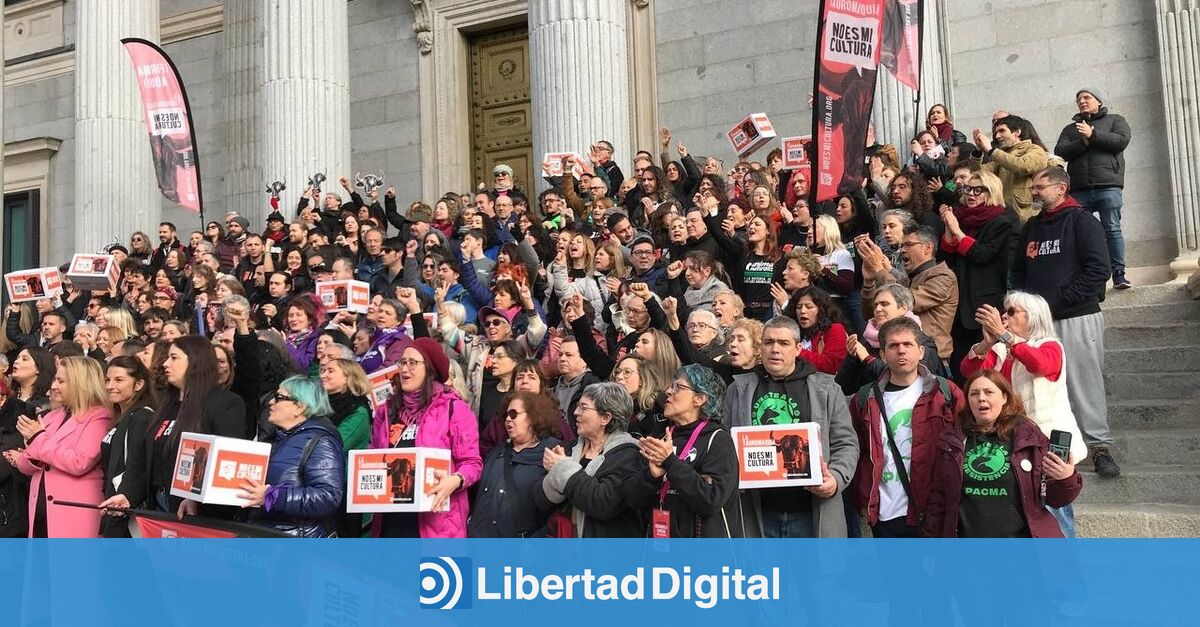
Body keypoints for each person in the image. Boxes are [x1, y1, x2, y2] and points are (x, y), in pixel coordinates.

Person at [1014, 167, 1118, 478]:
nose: (1034, 191)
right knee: (1043, 387)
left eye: (1040, 186)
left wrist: (1056, 301)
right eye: (1032, 186)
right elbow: (1019, 271)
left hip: (1077, 316)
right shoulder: (1031, 227)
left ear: (1061, 188)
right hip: (1039, 325)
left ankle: (1099, 447)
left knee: (1084, 383)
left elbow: (1100, 269)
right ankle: (1054, 453)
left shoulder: (1082, 221)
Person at [960, 291, 1089, 537]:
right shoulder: (1000, 348)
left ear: (1033, 317)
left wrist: (1005, 336)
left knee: (1054, 513)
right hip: (1012, 442)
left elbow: (1040, 364)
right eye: (1003, 312)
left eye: (1011, 312)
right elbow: (971, 373)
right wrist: (988, 343)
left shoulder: (1051, 345)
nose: (1004, 317)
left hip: (1048, 443)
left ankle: (1061, 570)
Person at [722, 317, 859, 537]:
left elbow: (846, 443)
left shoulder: (826, 389)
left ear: (797, 349)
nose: (775, 349)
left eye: (783, 343)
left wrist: (835, 477)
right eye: (768, 342)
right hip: (756, 514)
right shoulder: (738, 389)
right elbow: (725, 445)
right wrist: (730, 476)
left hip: (811, 513)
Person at [923, 370, 1082, 538]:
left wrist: (1066, 478)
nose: (981, 398)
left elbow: (1056, 499)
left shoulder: (1029, 438)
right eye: (974, 393)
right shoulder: (952, 442)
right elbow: (938, 502)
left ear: (1005, 398)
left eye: (989, 392)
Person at [848, 317, 964, 538]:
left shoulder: (945, 392)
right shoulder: (865, 398)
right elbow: (854, 451)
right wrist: (862, 497)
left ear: (921, 351)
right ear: (882, 354)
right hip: (886, 512)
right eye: (893, 345)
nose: (901, 351)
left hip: (935, 508)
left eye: (907, 344)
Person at [371, 336, 481, 538]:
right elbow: (373, 456)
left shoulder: (454, 408)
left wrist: (455, 480)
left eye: (413, 363)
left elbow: (472, 463)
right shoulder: (386, 411)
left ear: (429, 369)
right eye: (402, 362)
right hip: (391, 522)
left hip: (438, 522)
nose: (404, 369)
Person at [627, 365, 742, 537]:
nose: (668, 391)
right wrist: (651, 478)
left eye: (678, 387)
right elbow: (633, 500)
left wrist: (670, 463)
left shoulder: (717, 439)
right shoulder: (660, 436)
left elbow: (710, 500)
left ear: (700, 399)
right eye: (670, 386)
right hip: (660, 546)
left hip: (702, 554)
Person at [6, 357, 112, 537]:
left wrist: (38, 439)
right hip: (40, 514)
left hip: (73, 515)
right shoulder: (52, 416)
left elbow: (79, 462)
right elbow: (27, 464)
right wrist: (25, 456)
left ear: (81, 383)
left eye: (61, 381)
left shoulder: (100, 417)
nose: (53, 385)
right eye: (55, 379)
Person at [233, 376, 345, 537]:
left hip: (297, 543)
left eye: (279, 398)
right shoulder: (277, 438)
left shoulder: (321, 442)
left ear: (300, 407)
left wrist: (273, 496)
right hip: (264, 535)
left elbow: (328, 496)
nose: (271, 402)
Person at [149, 337, 248, 517]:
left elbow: (226, 463)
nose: (165, 363)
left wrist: (196, 498)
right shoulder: (166, 404)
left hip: (195, 511)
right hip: (158, 503)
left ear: (195, 361)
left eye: (174, 357)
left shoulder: (224, 403)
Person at [937, 170, 1016, 381]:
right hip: (959, 302)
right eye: (968, 189)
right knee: (961, 366)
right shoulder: (961, 218)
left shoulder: (1001, 221)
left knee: (985, 368)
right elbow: (946, 258)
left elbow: (983, 254)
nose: (971, 194)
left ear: (990, 192)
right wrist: (948, 228)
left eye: (977, 190)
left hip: (984, 301)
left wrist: (958, 232)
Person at [537, 382, 644, 537]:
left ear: (606, 418)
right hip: (565, 549)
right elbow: (540, 499)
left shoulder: (629, 454)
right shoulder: (568, 448)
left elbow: (603, 503)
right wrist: (556, 472)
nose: (575, 412)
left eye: (584, 407)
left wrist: (562, 469)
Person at [1054, 88, 1133, 289]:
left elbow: (1121, 141)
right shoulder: (1071, 129)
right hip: (1079, 189)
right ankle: (1088, 278)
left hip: (1108, 185)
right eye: (1078, 99)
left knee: (1112, 229)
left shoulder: (1116, 120)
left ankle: (1119, 274)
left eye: (1087, 97)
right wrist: (1084, 140)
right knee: (1079, 233)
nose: (1082, 101)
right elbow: (1060, 151)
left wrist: (1093, 134)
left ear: (1098, 101)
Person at [469, 391, 563, 537]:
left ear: (532, 417)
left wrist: (534, 547)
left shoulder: (550, 454)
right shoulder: (497, 452)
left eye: (513, 414)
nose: (507, 419)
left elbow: (556, 512)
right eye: (505, 415)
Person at [862, 226, 958, 364]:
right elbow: (869, 314)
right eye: (902, 245)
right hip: (897, 355)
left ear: (927, 248)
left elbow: (906, 301)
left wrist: (879, 270)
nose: (902, 250)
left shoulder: (944, 276)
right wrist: (868, 281)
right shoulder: (908, 278)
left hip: (929, 358)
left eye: (908, 244)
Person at [837, 284, 944, 395]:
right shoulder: (867, 343)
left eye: (885, 304)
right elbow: (843, 388)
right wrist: (852, 357)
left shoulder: (923, 342)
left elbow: (909, 377)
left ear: (903, 308)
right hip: (873, 408)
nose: (878, 309)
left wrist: (868, 359)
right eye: (876, 305)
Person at [96, 357, 156, 537]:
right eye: (107, 380)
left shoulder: (142, 417)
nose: (109, 386)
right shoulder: (122, 416)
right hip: (115, 508)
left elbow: (138, 466)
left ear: (138, 384)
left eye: (119, 380)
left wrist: (127, 495)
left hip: (127, 513)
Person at [970, 115, 1050, 224]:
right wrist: (978, 151)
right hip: (1006, 218)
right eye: (996, 133)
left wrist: (991, 150)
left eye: (1002, 131)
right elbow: (978, 174)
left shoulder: (1035, 149)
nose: (997, 136)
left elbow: (1022, 166)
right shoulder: (1002, 156)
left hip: (1026, 218)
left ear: (1017, 132)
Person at [783, 287, 849, 375]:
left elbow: (830, 365)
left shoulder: (835, 329)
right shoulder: (793, 331)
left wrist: (794, 351)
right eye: (798, 307)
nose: (802, 311)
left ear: (821, 310)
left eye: (809, 307)